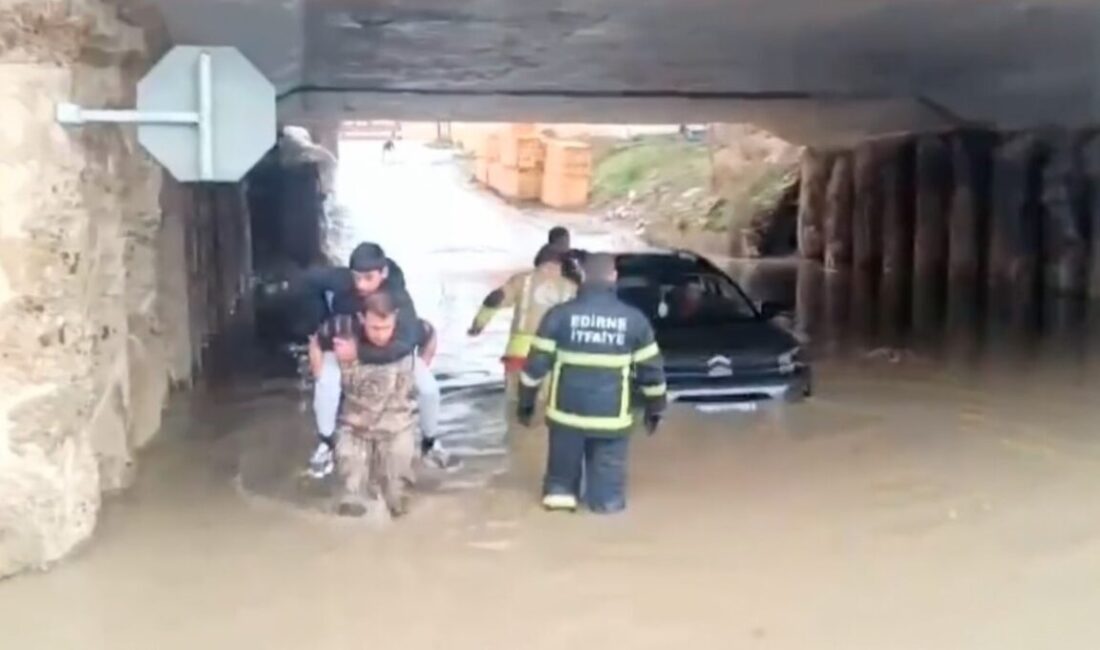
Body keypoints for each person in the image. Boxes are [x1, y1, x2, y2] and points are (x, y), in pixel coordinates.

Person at [516, 253, 668, 514]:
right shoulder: (634, 320)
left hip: (565, 420)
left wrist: (525, 403)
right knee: (608, 503)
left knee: (558, 495)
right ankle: (603, 513)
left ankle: (560, 511)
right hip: (611, 421)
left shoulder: (558, 316)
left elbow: (534, 368)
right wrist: (656, 408)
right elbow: (652, 375)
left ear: (582, 276)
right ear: (614, 277)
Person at [295, 242, 446, 478]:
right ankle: (326, 443)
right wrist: (317, 323)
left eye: (368, 278)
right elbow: (308, 286)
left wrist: (362, 355)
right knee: (326, 383)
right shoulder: (343, 290)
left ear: (383, 273)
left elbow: (411, 341)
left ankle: (430, 442)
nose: (361, 285)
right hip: (346, 346)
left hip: (391, 352)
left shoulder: (399, 299)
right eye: (357, 278)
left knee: (428, 389)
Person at [323, 294, 418, 518]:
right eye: (374, 327)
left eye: (386, 328)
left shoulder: (408, 335)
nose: (380, 335)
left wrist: (426, 362)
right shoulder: (343, 334)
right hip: (354, 431)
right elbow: (316, 339)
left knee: (399, 501)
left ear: (395, 318)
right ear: (361, 318)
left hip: (397, 430)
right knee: (352, 503)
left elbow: (430, 333)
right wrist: (321, 371)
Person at [467, 246, 577, 387]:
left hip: (518, 352)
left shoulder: (522, 280)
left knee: (514, 397)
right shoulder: (572, 286)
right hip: (551, 355)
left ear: (538, 261)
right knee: (546, 399)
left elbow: (495, 298)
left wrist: (478, 324)